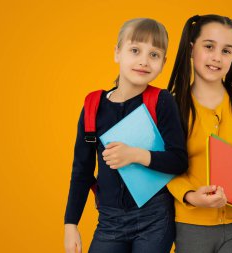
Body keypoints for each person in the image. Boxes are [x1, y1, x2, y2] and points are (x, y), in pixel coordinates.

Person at [64, 18, 188, 253]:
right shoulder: (93, 106)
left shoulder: (162, 101)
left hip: (155, 218)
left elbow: (179, 161)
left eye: (154, 54)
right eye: (135, 50)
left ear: (163, 63)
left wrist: (136, 155)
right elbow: (81, 171)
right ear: (117, 53)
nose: (144, 61)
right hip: (109, 221)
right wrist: (71, 224)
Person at [167, 14, 232, 253]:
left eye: (227, 51)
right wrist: (191, 196)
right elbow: (164, 166)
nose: (217, 57)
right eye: (209, 46)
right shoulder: (172, 106)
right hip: (191, 225)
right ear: (192, 49)